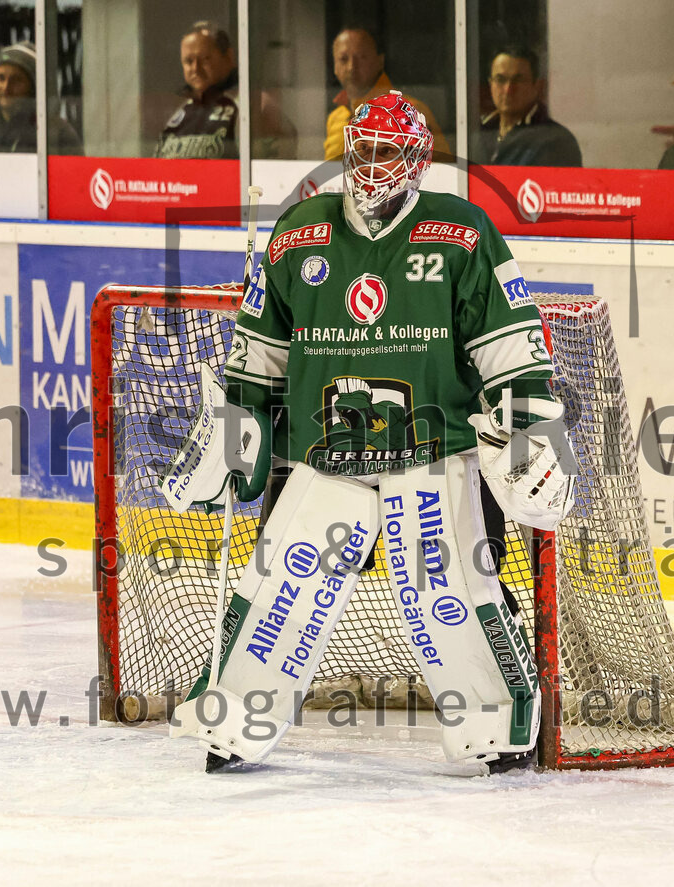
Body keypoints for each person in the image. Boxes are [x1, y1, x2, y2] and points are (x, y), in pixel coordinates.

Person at [163, 92, 577, 775]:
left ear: (416, 159)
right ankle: (236, 715)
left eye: (387, 150)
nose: (371, 163)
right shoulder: (299, 232)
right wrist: (242, 422)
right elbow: (259, 351)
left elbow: (513, 346)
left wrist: (527, 426)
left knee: (444, 593)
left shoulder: (463, 232)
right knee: (281, 587)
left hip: (432, 447)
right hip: (324, 452)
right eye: (363, 146)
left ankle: (497, 722)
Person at [156, 21, 296, 160]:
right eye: (188, 61)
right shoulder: (179, 110)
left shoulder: (253, 104)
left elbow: (269, 173)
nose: (195, 69)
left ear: (228, 57)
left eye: (205, 59)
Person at [324, 27, 451, 161]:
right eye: (343, 59)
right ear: (335, 67)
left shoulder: (410, 111)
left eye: (362, 57)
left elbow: (442, 172)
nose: (351, 66)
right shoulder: (335, 118)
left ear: (380, 62)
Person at [475, 46, 582, 167]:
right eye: (500, 79)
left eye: (518, 80)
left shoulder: (556, 141)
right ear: (490, 84)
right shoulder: (478, 132)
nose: (508, 89)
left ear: (536, 86)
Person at [0, 41, 82, 153]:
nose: (6, 87)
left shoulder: (57, 133)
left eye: (16, 80)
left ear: (33, 87)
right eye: (0, 78)